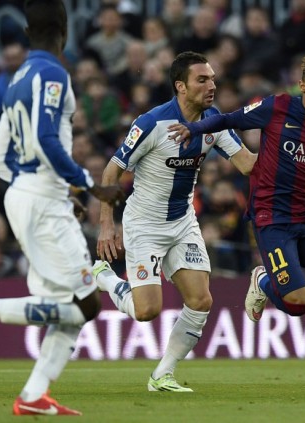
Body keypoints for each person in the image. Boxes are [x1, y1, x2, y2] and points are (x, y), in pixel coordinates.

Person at [0, 0, 124, 416]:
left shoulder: (15, 80)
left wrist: (41, 189)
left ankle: (32, 396)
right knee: (87, 304)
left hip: (27, 194)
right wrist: (87, 185)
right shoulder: (52, 73)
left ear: (27, 33)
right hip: (42, 198)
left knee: (72, 308)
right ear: (66, 31)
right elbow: (47, 138)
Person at [168, 53, 305, 392]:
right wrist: (193, 128)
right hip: (272, 219)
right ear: (303, 88)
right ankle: (264, 281)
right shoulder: (277, 108)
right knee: (299, 303)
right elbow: (229, 120)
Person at [93, 51, 256, 392]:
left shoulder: (214, 122)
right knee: (147, 311)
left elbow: (247, 164)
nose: (211, 85)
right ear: (181, 86)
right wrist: (107, 224)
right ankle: (106, 279)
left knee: (201, 300)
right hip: (144, 225)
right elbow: (111, 171)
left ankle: (161, 375)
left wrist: (288, 147)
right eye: (202, 79)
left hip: (182, 221)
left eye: (212, 78)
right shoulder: (151, 123)